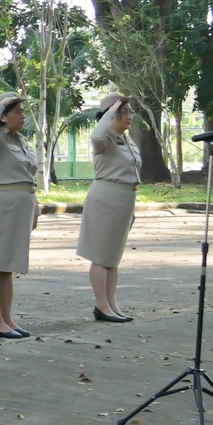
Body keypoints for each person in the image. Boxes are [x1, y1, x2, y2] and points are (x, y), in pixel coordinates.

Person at [0, 92, 40, 339]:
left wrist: (34, 207)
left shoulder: (21, 140)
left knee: (8, 265)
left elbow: (29, 177)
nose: (23, 116)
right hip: (2, 203)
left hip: (21, 203)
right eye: (17, 111)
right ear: (2, 116)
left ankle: (7, 317)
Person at [78, 94, 141, 323]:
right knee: (100, 255)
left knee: (113, 258)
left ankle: (112, 304)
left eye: (129, 112)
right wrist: (112, 107)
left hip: (124, 199)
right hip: (105, 199)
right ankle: (101, 306)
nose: (129, 117)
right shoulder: (103, 140)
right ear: (111, 115)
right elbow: (96, 133)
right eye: (124, 112)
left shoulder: (126, 140)